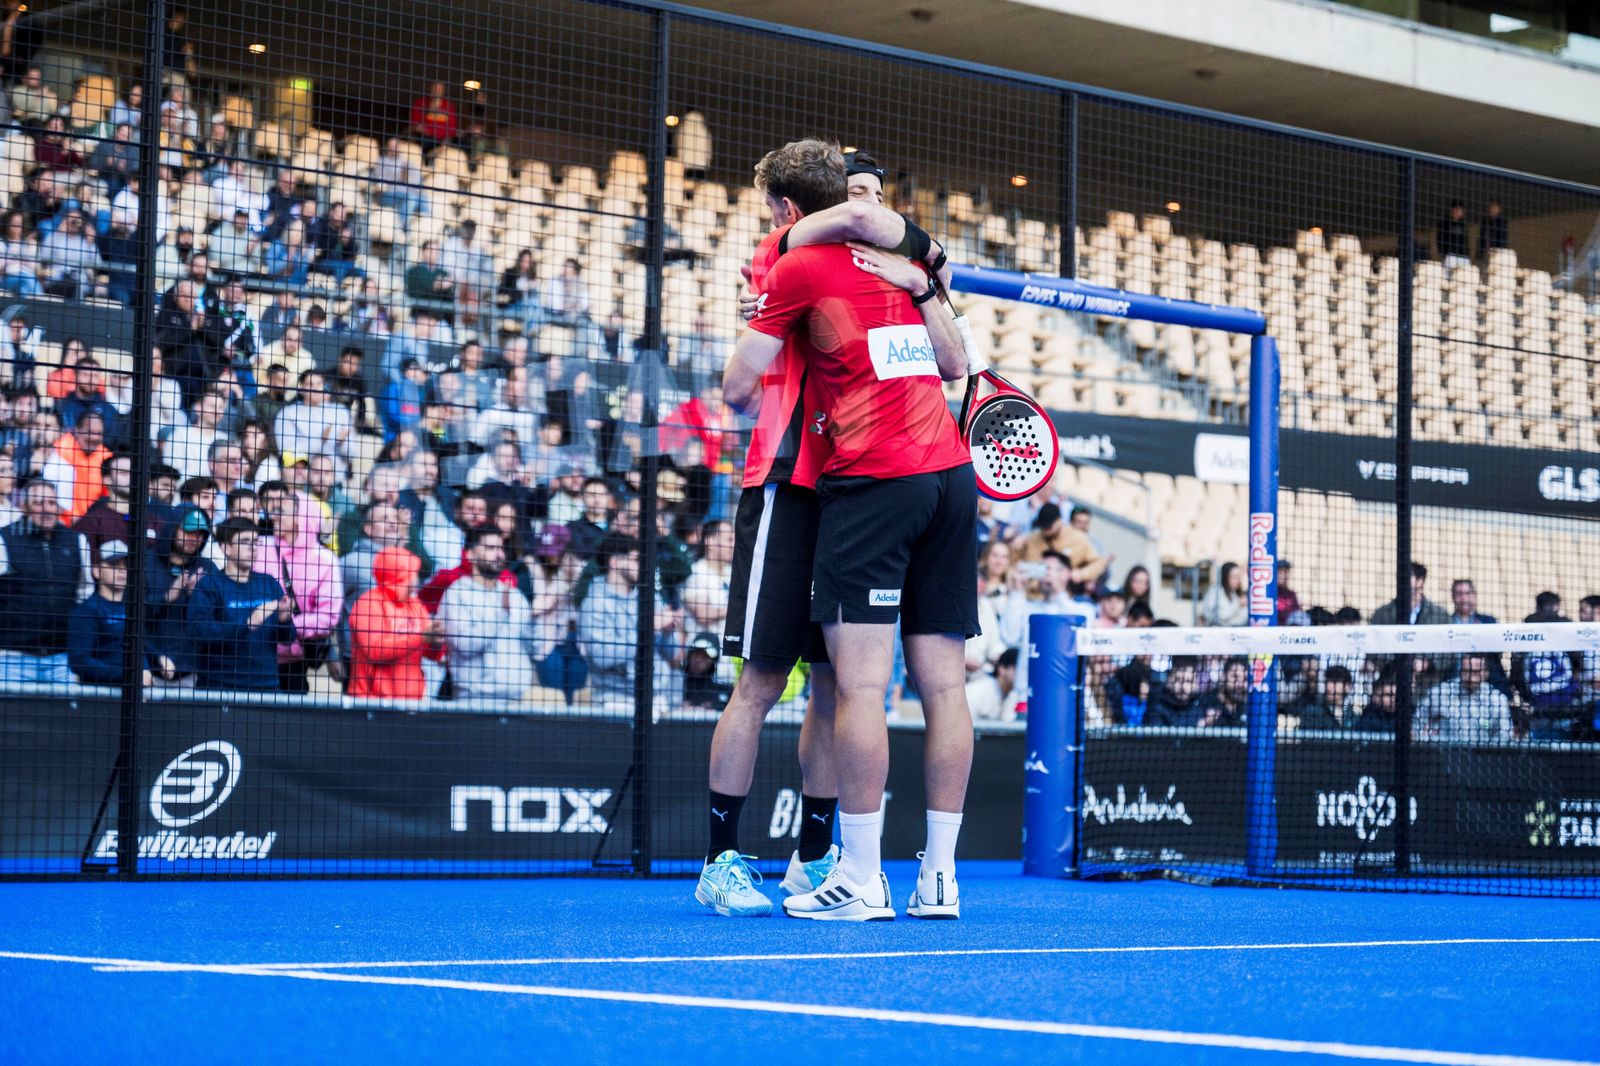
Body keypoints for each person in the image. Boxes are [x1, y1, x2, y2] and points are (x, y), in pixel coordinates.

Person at [694, 145, 951, 917]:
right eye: (854, 194)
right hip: (783, 480)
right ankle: (720, 862)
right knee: (763, 679)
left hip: (852, 490)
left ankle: (812, 856)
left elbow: (941, 317)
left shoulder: (871, 267)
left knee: (838, 686)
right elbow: (738, 387)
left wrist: (922, 272)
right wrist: (900, 241)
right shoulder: (783, 256)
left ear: (778, 203)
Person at [0, 479, 93, 683]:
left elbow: (85, 592)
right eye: (39, 503)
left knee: (65, 713)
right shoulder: (4, 538)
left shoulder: (77, 540)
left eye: (52, 503)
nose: (47, 509)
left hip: (62, 657)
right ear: (24, 507)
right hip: (12, 657)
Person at [188, 517, 294, 690]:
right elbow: (198, 632)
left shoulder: (269, 583)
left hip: (266, 687)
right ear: (226, 548)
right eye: (245, 542)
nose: (253, 548)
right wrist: (247, 624)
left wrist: (284, 620)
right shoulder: (208, 585)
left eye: (255, 542)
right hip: (220, 688)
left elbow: (288, 639)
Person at [255, 492, 342, 693]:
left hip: (293, 663)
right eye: (272, 510)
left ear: (300, 518)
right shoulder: (260, 547)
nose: (273, 516)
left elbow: (328, 617)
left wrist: (285, 626)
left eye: (280, 511)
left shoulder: (325, 561)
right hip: (254, 655)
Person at [438, 526, 536, 701]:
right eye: (490, 548)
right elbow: (464, 645)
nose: (499, 555)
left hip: (516, 699)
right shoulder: (456, 593)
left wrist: (539, 620)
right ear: (470, 554)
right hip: (474, 700)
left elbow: (532, 647)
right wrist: (501, 615)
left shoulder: (514, 595)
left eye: (501, 548)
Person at [69, 540, 176, 685]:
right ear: (96, 571)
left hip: (134, 695)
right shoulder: (87, 610)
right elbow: (80, 661)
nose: (122, 570)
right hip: (100, 697)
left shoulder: (131, 608)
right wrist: (128, 675)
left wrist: (158, 658)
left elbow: (140, 642)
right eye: (114, 565)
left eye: (126, 566)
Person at [348, 546, 444, 699]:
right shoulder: (368, 603)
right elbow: (374, 651)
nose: (417, 577)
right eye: (413, 572)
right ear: (401, 575)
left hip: (412, 700)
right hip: (371, 700)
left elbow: (428, 651)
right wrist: (421, 637)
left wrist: (436, 642)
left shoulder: (415, 605)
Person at [1419, 652, 1513, 744]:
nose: (1470, 678)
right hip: (1442, 755)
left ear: (1485, 674)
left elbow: (1504, 737)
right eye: (1466, 671)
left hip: (1482, 756)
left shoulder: (1497, 700)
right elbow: (1417, 723)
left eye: (1475, 672)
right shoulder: (1439, 693)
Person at [1147, 657, 1202, 726]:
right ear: (1169, 681)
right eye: (1178, 680)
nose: (1183, 687)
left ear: (1195, 684)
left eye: (1188, 681)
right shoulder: (1157, 706)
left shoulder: (1200, 706)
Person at [1199, 561, 1247, 627]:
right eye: (1234, 577)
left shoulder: (1233, 594)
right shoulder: (1215, 592)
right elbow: (1220, 617)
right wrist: (1238, 604)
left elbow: (1241, 618)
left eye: (1239, 577)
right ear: (1225, 577)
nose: (1238, 581)